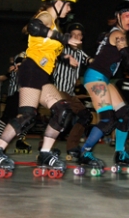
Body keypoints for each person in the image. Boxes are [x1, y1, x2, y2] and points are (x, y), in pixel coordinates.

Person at [0, 0, 81, 174]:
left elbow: (47, 47)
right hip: (32, 70)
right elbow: (33, 27)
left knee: (62, 110)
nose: (70, 8)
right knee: (27, 115)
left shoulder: (54, 25)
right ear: (58, 2)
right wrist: (64, 39)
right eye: (68, 4)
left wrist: (65, 56)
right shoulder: (46, 16)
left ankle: (45, 153)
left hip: (41, 74)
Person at [80, 0, 129, 172]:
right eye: (127, 15)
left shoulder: (116, 34)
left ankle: (120, 153)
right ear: (118, 16)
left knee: (126, 115)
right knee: (107, 120)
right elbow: (128, 61)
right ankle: (84, 153)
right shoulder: (118, 35)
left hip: (104, 80)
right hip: (95, 78)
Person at [51, 22, 94, 159]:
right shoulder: (62, 48)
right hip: (58, 90)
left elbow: (89, 60)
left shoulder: (80, 53)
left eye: (79, 35)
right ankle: (48, 147)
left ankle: (71, 147)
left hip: (69, 93)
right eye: (73, 35)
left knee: (85, 116)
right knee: (63, 116)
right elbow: (56, 53)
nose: (76, 37)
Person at [0, 52, 33, 153]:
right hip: (16, 92)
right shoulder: (24, 54)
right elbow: (19, 61)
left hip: (27, 92)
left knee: (28, 118)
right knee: (7, 117)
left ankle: (20, 141)